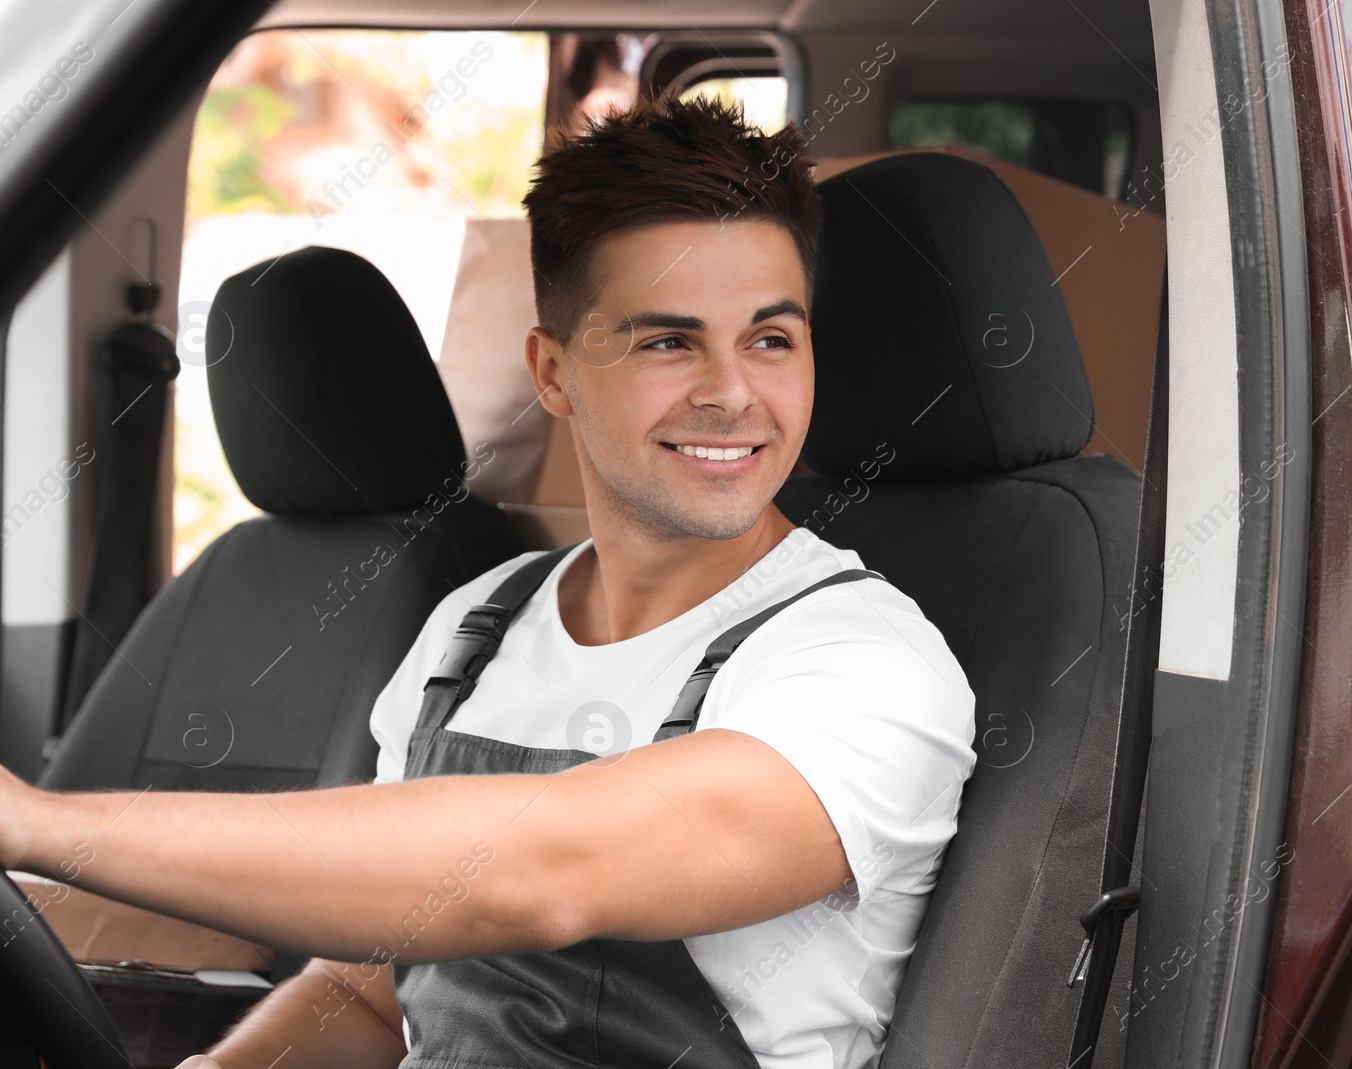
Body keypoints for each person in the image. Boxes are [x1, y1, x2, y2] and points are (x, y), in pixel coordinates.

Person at [0, 94, 976, 1069]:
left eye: (771, 338)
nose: (731, 393)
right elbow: (366, 991)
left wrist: (38, 825)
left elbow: (544, 870)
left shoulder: (864, 664)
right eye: (667, 341)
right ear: (552, 374)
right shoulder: (477, 622)